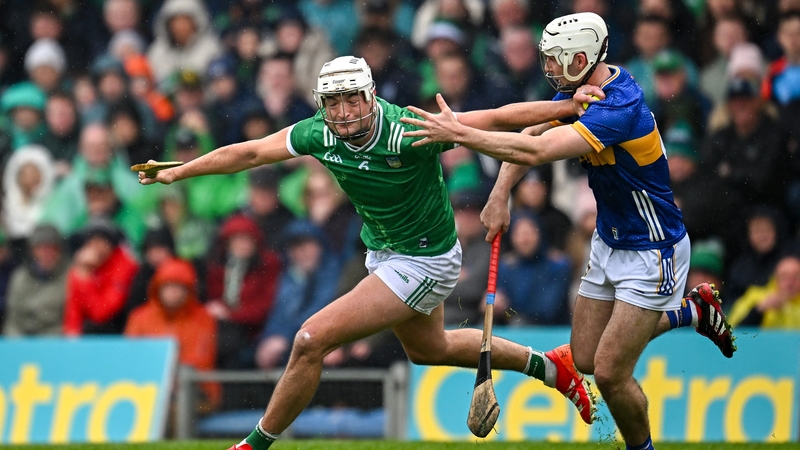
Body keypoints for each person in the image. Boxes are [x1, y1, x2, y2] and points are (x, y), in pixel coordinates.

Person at [138, 55, 598, 450]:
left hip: (426, 259)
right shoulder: (319, 132)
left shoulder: (406, 131)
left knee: (310, 339)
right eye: (333, 102)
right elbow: (252, 153)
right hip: (383, 252)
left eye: (352, 99)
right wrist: (180, 171)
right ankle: (549, 365)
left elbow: (495, 117)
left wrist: (564, 106)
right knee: (430, 349)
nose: (343, 111)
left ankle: (252, 445)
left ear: (371, 95)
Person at [400, 13, 736, 450]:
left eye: (555, 59)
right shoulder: (581, 90)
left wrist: (460, 134)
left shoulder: (618, 108)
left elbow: (536, 150)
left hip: (653, 250)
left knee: (611, 373)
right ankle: (692, 311)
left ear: (581, 58)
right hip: (608, 241)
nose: (548, 68)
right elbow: (520, 122)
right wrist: (498, 191)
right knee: (585, 358)